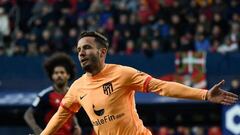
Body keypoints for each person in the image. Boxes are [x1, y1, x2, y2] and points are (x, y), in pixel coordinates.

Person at [41, 31, 239, 135]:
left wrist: (204, 94)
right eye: (78, 50)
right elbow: (61, 116)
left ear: (102, 52)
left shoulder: (122, 74)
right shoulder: (77, 87)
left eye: (86, 48)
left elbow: (162, 87)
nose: (81, 53)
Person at [24, 52, 82, 135]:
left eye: (62, 72)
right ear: (52, 76)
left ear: (68, 75)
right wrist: (38, 131)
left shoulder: (74, 95)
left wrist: (76, 126)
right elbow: (28, 114)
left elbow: (72, 113)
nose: (59, 75)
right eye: (56, 73)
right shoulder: (45, 95)